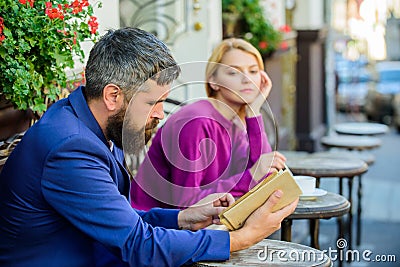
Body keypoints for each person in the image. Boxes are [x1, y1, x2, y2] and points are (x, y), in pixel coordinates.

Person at [0, 28, 298, 266]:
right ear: (113, 96)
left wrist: (183, 219)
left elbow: (122, 220)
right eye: (152, 102)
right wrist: (243, 238)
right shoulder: (71, 148)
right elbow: (138, 245)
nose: (160, 113)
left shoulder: (93, 122)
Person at [131, 38, 287, 210]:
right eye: (233, 72)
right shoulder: (195, 122)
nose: (247, 79)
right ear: (213, 81)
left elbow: (264, 178)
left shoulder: (237, 120)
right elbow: (186, 203)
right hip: (156, 226)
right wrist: (252, 175)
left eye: (253, 71)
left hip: (210, 221)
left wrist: (254, 112)